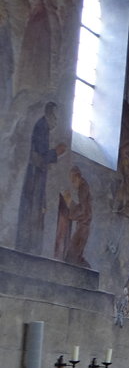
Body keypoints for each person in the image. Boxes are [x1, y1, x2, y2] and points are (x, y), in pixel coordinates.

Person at [17, 100, 67, 254]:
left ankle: (31, 248)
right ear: (50, 114)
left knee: (38, 211)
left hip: (37, 178)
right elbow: (38, 157)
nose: (57, 122)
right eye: (56, 118)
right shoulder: (41, 127)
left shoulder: (43, 128)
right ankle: (27, 248)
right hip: (34, 178)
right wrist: (56, 153)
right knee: (32, 210)